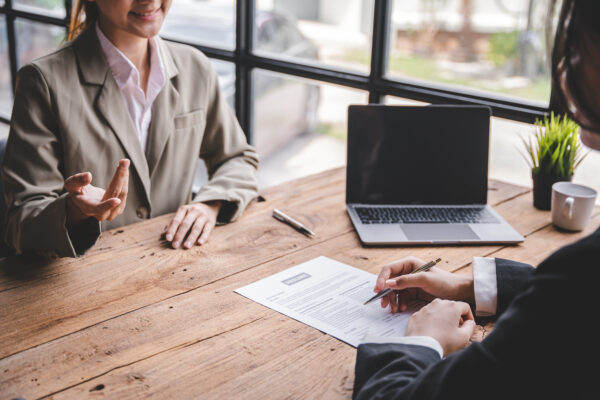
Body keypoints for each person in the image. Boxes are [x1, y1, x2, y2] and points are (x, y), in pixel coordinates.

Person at [353, 1, 600, 399]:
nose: (561, 69)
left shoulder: (583, 275)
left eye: (575, 50)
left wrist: (421, 341)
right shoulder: (580, 280)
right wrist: (467, 287)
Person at [1, 0, 258, 258]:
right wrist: (74, 211)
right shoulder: (42, 82)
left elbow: (238, 158)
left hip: (179, 268)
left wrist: (209, 204)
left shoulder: (195, 66)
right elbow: (20, 222)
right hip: (87, 283)